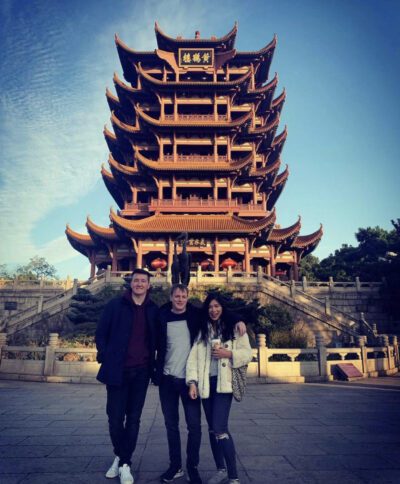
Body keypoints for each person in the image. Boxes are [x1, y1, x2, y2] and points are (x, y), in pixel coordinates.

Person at [155, 285, 246, 484]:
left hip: (197, 383)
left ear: (188, 298)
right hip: (174, 380)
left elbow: (220, 311)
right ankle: (176, 466)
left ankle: (194, 467)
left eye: (183, 296)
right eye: (176, 296)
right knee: (173, 425)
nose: (180, 299)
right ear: (171, 297)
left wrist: (238, 319)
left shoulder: (196, 316)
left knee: (197, 427)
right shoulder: (161, 316)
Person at [96, 268, 158, 484]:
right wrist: (106, 355)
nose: (140, 284)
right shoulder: (115, 305)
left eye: (144, 281)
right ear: (131, 283)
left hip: (141, 372)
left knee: (133, 419)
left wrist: (235, 317)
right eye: (136, 280)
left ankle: (124, 463)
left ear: (149, 285)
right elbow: (101, 332)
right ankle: (122, 456)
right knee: (114, 418)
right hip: (117, 371)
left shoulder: (153, 309)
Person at [186, 293, 253, 484]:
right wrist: (192, 381)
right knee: (212, 429)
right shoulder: (202, 331)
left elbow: (247, 354)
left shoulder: (235, 328)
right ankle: (221, 469)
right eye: (210, 307)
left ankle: (233, 477)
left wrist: (228, 353)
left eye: (217, 306)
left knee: (219, 427)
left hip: (224, 385)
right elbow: (193, 357)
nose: (213, 310)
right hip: (207, 385)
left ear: (223, 308)